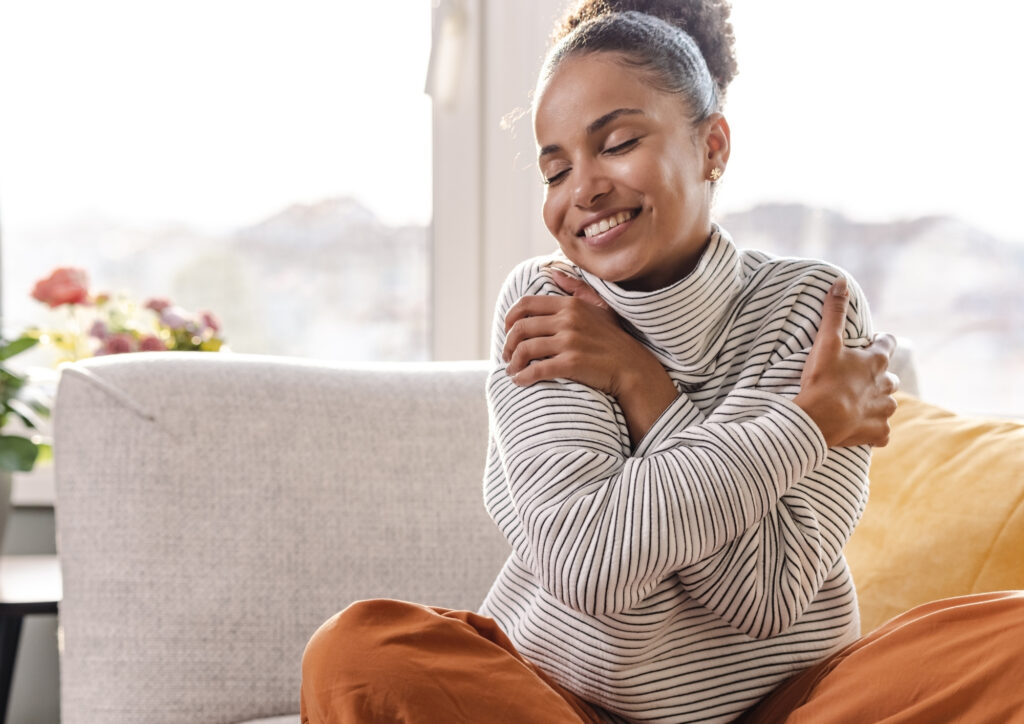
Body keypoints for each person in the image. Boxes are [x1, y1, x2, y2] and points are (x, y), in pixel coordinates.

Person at [300, 2, 1022, 722]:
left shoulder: (811, 306)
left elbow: (763, 597)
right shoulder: (547, 301)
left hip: (781, 707)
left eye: (615, 143)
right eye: (555, 170)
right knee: (360, 652)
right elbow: (588, 565)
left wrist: (642, 384)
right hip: (563, 704)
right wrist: (806, 427)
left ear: (712, 147)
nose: (582, 189)